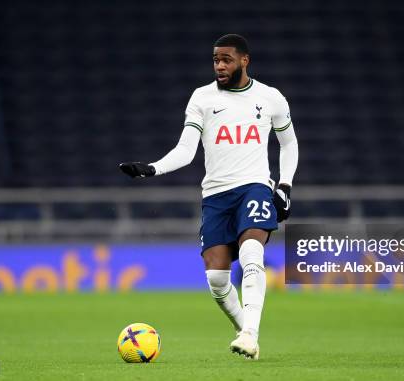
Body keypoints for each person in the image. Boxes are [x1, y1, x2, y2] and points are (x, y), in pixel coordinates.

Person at [120, 34, 299, 360]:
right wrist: (152, 169)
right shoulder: (201, 98)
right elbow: (186, 150)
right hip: (216, 195)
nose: (219, 65)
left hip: (254, 186)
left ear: (244, 60)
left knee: (251, 252)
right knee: (216, 278)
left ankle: (249, 333)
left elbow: (288, 144)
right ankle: (247, 331)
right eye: (216, 59)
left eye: (226, 59)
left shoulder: (270, 98)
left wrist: (284, 186)